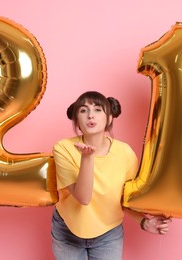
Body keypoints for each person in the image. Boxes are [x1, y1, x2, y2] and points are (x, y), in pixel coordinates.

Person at [51, 91, 171, 260]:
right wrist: (87, 158)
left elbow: (126, 200)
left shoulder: (125, 153)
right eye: (83, 110)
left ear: (109, 118)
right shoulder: (63, 148)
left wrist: (145, 222)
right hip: (68, 230)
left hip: (108, 233)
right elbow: (83, 198)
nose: (91, 115)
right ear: (77, 120)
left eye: (98, 109)